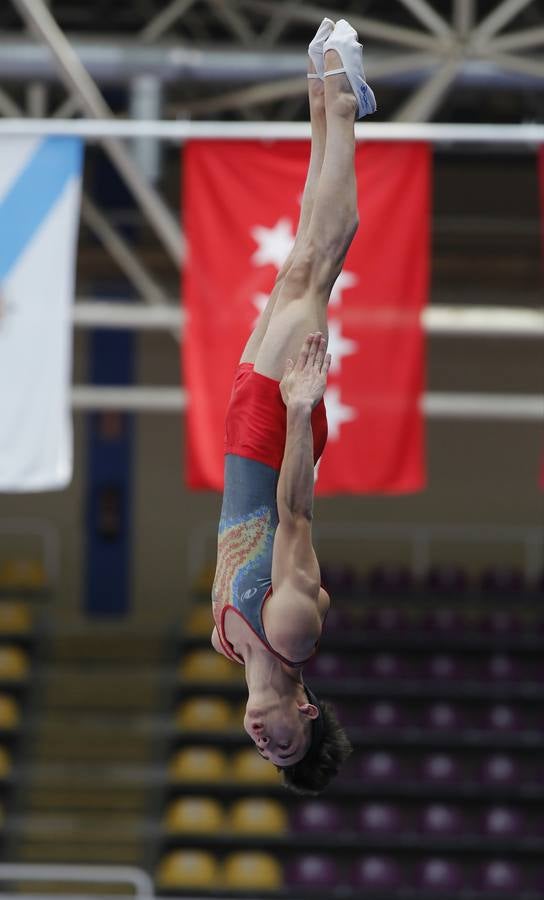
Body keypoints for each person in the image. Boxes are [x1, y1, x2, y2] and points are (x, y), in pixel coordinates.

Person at [210, 18, 376, 794]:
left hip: (244, 435)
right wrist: (303, 409)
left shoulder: (230, 645)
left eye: (263, 753)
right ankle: (343, 94)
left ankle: (322, 88)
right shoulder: (290, 633)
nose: (262, 740)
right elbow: (296, 516)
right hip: (280, 434)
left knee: (297, 264)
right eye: (281, 745)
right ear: (304, 715)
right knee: (316, 265)